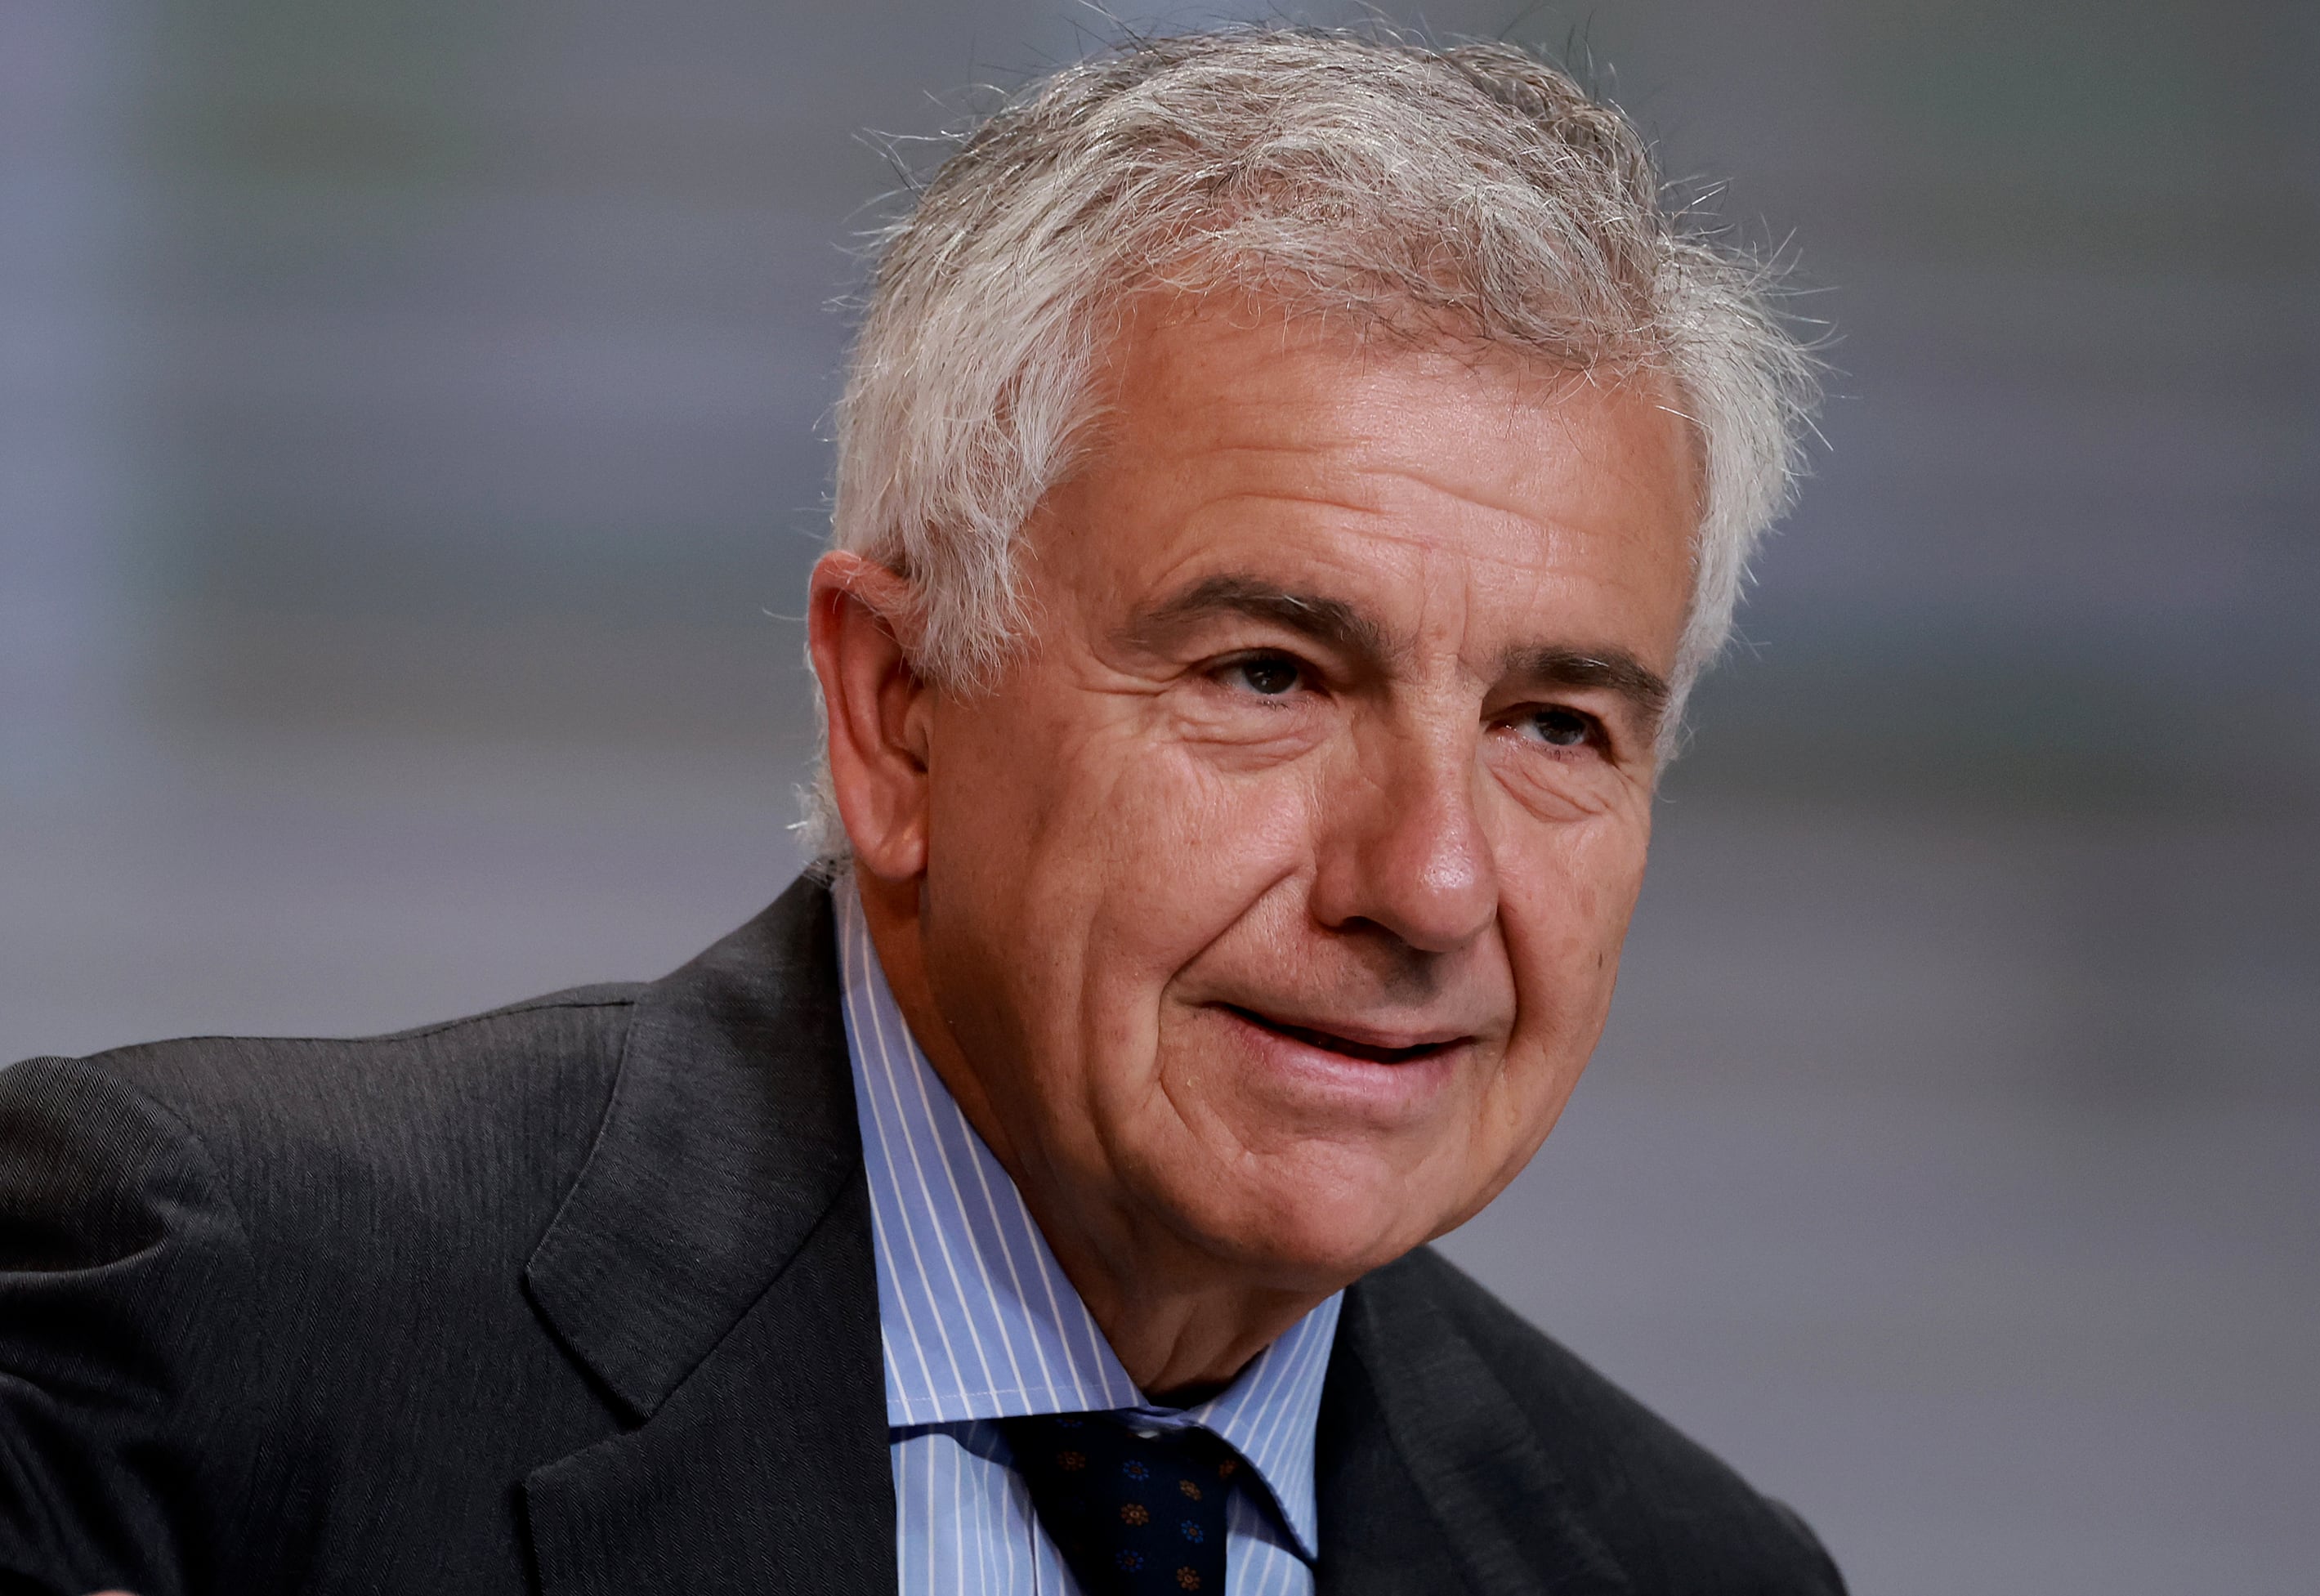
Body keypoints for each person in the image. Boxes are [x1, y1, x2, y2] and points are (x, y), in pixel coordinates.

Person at [0, 27, 1837, 1596]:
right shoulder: (212, 1324)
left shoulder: (1677, 1561)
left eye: (1555, 723)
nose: (1429, 882)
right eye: (1268, 672)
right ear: (896, 712)